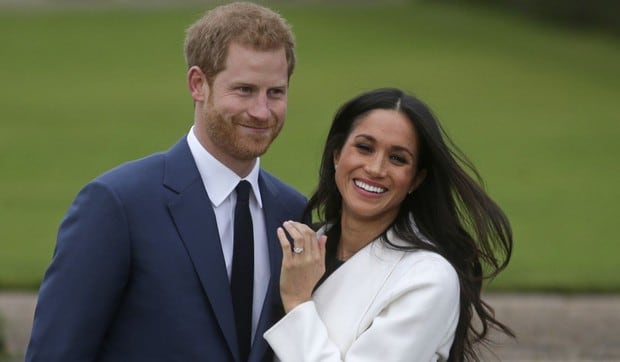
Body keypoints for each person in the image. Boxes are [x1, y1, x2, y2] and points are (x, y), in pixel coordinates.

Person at [26, 2, 304, 361]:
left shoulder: (293, 213)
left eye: (275, 93)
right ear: (198, 84)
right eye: (245, 90)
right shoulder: (118, 205)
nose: (262, 111)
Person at [263, 88, 514, 361]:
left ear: (416, 179)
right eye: (364, 148)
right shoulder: (306, 248)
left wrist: (299, 303)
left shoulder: (428, 278)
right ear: (337, 155)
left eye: (397, 158)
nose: (376, 168)